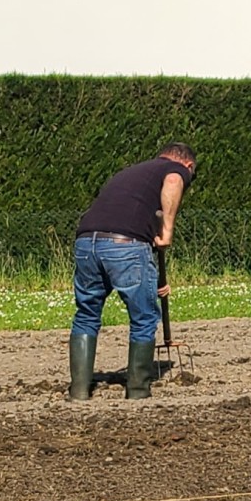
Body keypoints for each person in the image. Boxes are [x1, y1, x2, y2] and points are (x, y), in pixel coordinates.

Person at [69, 142, 194, 401]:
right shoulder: (175, 169)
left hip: (85, 242)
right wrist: (167, 231)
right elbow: (173, 181)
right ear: (188, 165)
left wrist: (153, 283)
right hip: (125, 246)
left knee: (86, 315)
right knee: (144, 318)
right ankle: (137, 391)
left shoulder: (131, 173)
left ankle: (79, 392)